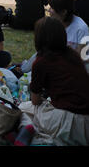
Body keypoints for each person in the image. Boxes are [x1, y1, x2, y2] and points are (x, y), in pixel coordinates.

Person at [17, 17, 89, 146]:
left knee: (22, 108)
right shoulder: (72, 55)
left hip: (68, 122)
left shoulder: (41, 61)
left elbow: (35, 101)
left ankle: (26, 130)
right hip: (86, 123)